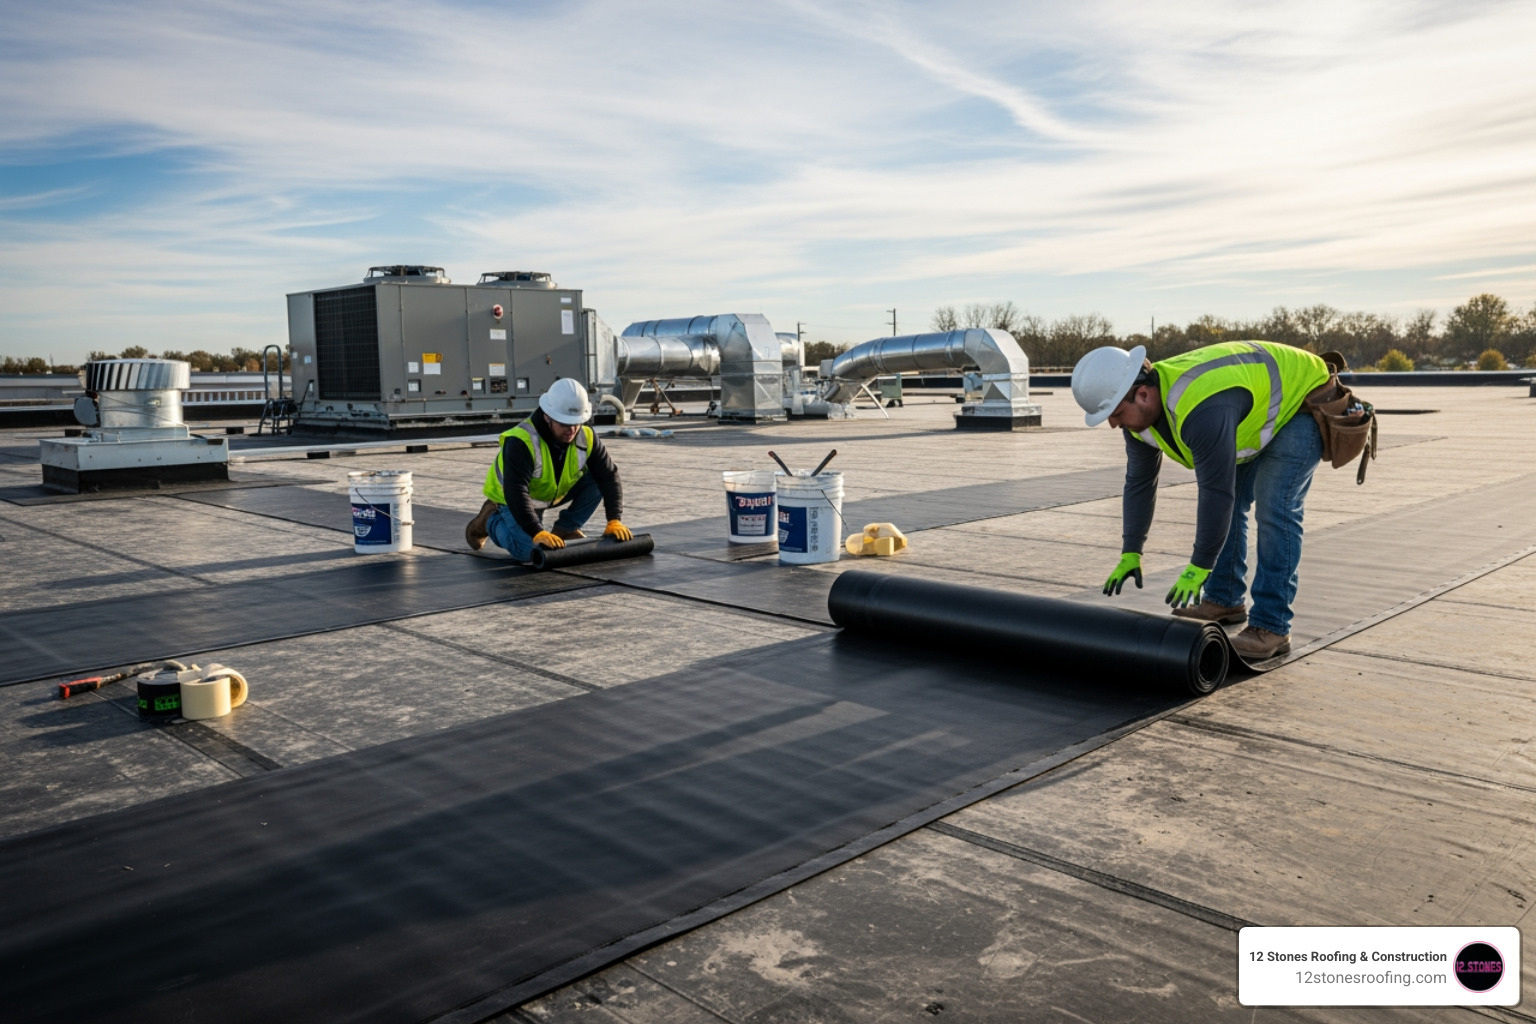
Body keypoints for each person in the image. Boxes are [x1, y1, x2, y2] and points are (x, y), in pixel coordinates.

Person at [1071, 340, 1331, 660]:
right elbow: (1139, 483)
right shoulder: (1139, 417)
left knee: (1275, 509)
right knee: (1230, 508)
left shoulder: (1200, 407)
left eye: (1114, 413)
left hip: (1301, 399)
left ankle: (1272, 626)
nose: (1113, 424)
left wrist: (1199, 565)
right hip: (1249, 411)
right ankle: (1224, 599)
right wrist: (1131, 551)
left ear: (1142, 394)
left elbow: (1216, 492)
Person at [464, 378, 632, 560]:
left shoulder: (586, 436)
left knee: (598, 477)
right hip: (511, 498)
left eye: (576, 423)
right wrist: (536, 531)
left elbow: (609, 476)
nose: (572, 429)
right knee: (529, 551)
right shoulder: (522, 441)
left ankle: (566, 529)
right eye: (564, 423)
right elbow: (516, 491)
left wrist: (614, 519)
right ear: (547, 416)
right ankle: (490, 521)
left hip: (549, 493)